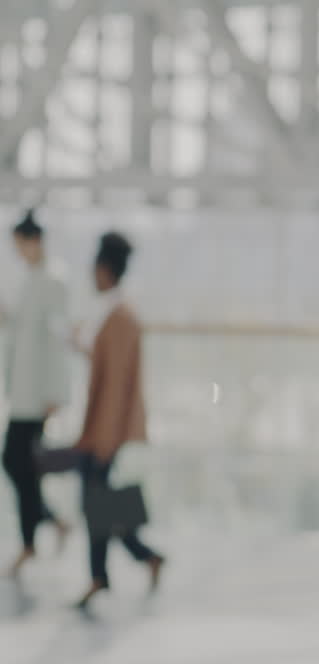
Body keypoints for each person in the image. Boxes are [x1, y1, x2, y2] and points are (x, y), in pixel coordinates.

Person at [69, 231, 164, 609]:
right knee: (99, 501)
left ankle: (105, 574)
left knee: (95, 500)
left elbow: (117, 385)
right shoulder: (114, 312)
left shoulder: (121, 315)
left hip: (105, 430)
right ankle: (141, 559)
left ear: (105, 270)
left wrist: (103, 436)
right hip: (100, 427)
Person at [2, 209, 72, 577]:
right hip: (23, 391)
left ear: (34, 241)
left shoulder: (52, 281)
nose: (18, 253)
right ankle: (50, 525)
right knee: (20, 465)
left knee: (16, 462)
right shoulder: (30, 280)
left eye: (19, 245)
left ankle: (34, 540)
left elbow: (56, 341)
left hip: (37, 396)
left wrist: (55, 394)